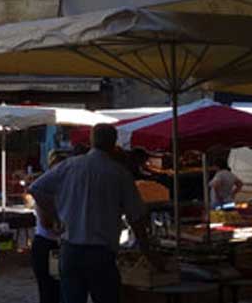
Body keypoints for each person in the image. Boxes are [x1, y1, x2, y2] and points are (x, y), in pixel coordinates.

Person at [29, 123, 157, 303]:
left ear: (91, 141)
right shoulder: (119, 173)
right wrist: (147, 250)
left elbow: (36, 189)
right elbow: (135, 217)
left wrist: (56, 217)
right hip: (101, 253)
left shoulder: (69, 166)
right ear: (114, 143)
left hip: (70, 250)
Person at [31, 150, 67, 303]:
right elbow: (46, 223)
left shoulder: (67, 189)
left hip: (62, 245)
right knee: (49, 291)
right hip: (47, 244)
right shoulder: (44, 189)